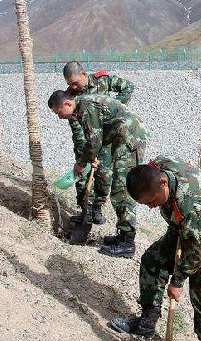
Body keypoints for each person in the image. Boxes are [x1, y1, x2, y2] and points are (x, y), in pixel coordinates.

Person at [110, 156, 201, 341]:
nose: (151, 207)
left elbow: (197, 252)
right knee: (152, 261)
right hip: (182, 226)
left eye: (152, 201)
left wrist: (177, 281)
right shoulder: (157, 168)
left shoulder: (192, 207)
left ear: (163, 183)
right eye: (146, 204)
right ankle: (147, 321)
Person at [48, 90, 147, 257]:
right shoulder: (83, 106)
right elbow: (96, 138)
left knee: (121, 190)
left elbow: (94, 141)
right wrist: (92, 156)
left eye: (58, 112)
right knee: (119, 189)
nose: (59, 117)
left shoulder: (86, 107)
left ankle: (127, 243)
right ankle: (122, 236)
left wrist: (81, 163)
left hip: (130, 139)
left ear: (67, 104)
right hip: (123, 138)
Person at [62, 61, 135, 225]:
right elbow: (76, 127)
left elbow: (128, 87)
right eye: (69, 84)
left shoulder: (102, 81)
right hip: (86, 141)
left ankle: (97, 208)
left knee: (104, 175)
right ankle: (85, 210)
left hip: (106, 139)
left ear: (83, 74)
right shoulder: (70, 96)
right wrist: (86, 152)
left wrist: (115, 107)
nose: (73, 87)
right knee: (82, 176)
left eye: (75, 83)